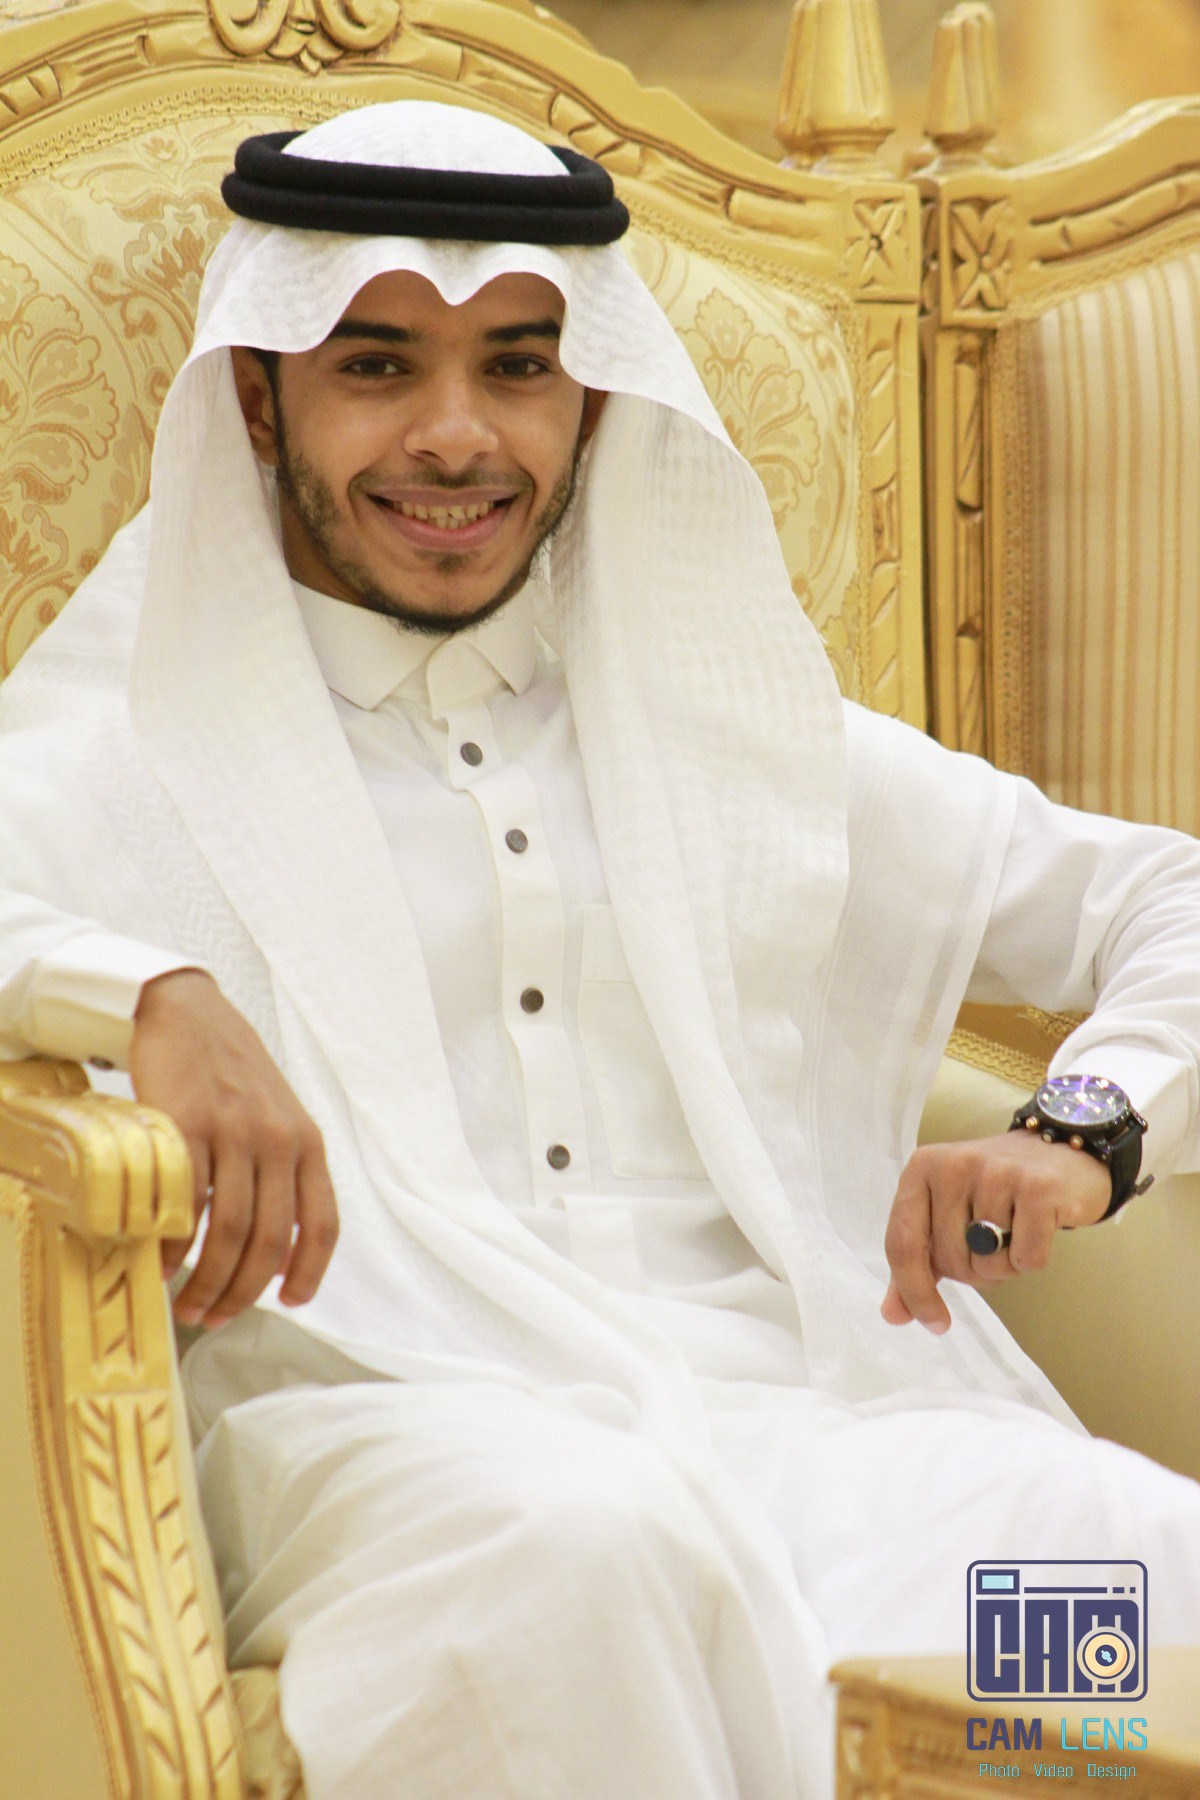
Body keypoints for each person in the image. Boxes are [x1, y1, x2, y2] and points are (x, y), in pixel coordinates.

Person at [2, 99, 1199, 1798]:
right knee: (591, 1546)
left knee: (1131, 1568)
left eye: (519, 367)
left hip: (786, 1427)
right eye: (376, 367)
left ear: (596, 395)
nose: (455, 437)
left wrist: (1088, 1126)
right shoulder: (125, 743)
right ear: (258, 401)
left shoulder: (719, 731)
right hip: (380, 1435)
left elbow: (1168, 899)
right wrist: (139, 993)